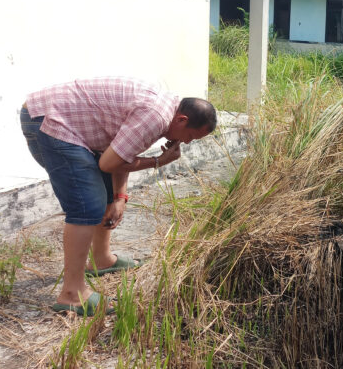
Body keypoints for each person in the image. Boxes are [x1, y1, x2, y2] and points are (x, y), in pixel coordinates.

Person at [20, 77, 216, 315]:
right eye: (191, 136)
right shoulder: (156, 118)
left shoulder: (167, 109)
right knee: (87, 205)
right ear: (182, 119)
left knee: (103, 191)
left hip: (60, 117)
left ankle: (100, 259)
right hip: (50, 120)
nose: (186, 142)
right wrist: (157, 161)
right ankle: (72, 294)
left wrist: (120, 196)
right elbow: (108, 163)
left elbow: (120, 151)